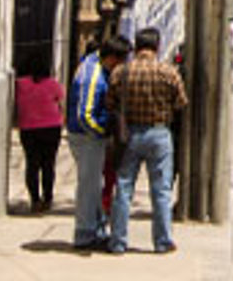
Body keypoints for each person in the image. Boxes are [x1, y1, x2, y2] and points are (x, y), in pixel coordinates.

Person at [107, 28, 188, 255]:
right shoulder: (168, 73)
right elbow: (181, 102)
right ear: (157, 46)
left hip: (129, 135)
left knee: (123, 188)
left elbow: (110, 103)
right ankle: (162, 241)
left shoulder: (121, 72)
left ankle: (118, 241)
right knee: (161, 191)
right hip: (159, 134)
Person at [66, 36, 129, 250]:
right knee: (89, 187)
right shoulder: (92, 76)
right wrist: (101, 131)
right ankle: (85, 233)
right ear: (112, 58)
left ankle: (96, 227)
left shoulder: (95, 67)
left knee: (94, 186)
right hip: (87, 138)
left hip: (88, 136)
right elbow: (85, 115)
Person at [14, 51, 66, 214]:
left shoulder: (19, 85)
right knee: (48, 164)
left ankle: (35, 200)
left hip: (29, 128)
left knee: (32, 164)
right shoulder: (53, 84)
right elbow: (60, 98)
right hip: (51, 127)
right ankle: (48, 198)